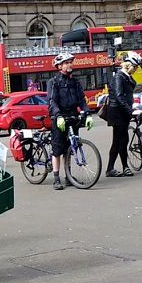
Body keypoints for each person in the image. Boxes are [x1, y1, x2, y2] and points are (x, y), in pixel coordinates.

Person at [47, 52, 93, 190]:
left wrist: (87, 113)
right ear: (59, 66)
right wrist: (58, 115)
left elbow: (81, 100)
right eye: (66, 63)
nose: (69, 65)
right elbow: (52, 101)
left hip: (73, 117)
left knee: (70, 148)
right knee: (57, 150)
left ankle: (69, 177)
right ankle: (56, 178)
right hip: (59, 118)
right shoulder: (53, 82)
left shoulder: (75, 82)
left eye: (70, 62)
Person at [105, 51, 142, 178]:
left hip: (122, 111)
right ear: (128, 64)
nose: (136, 69)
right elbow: (119, 97)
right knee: (119, 140)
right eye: (135, 66)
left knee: (121, 140)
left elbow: (127, 96)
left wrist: (133, 108)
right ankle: (118, 167)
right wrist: (131, 111)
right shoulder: (119, 77)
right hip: (117, 112)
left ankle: (115, 167)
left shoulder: (126, 77)